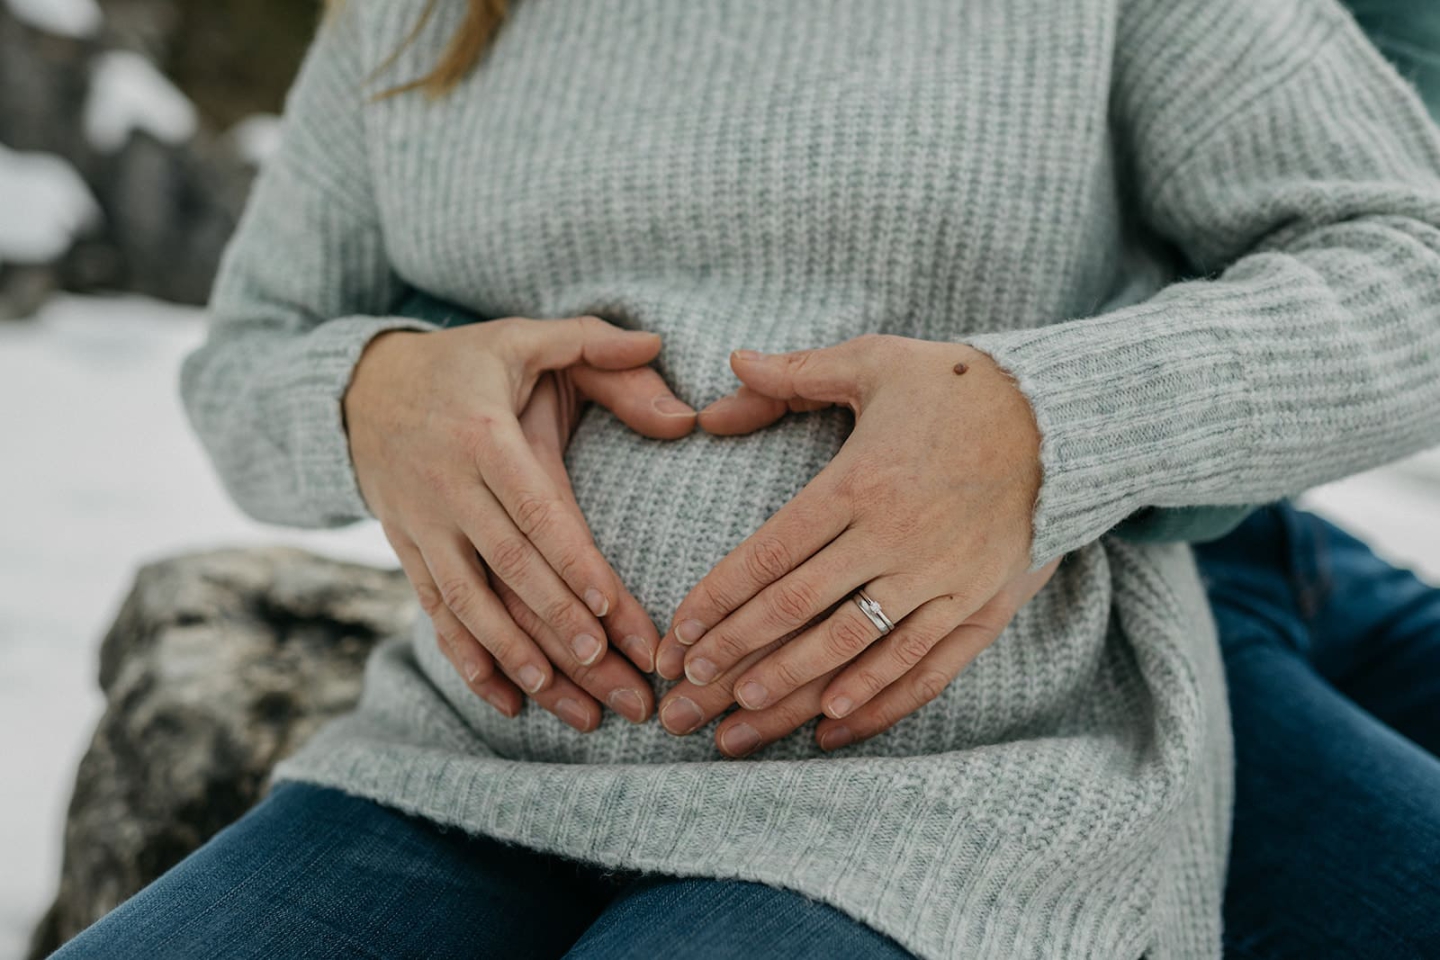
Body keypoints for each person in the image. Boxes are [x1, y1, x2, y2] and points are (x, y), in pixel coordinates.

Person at [56, 0, 1440, 957]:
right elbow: (245, 351)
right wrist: (370, 396)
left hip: (946, 796)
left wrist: (1051, 423)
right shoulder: (418, 17)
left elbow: (1407, 262)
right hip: (463, 768)